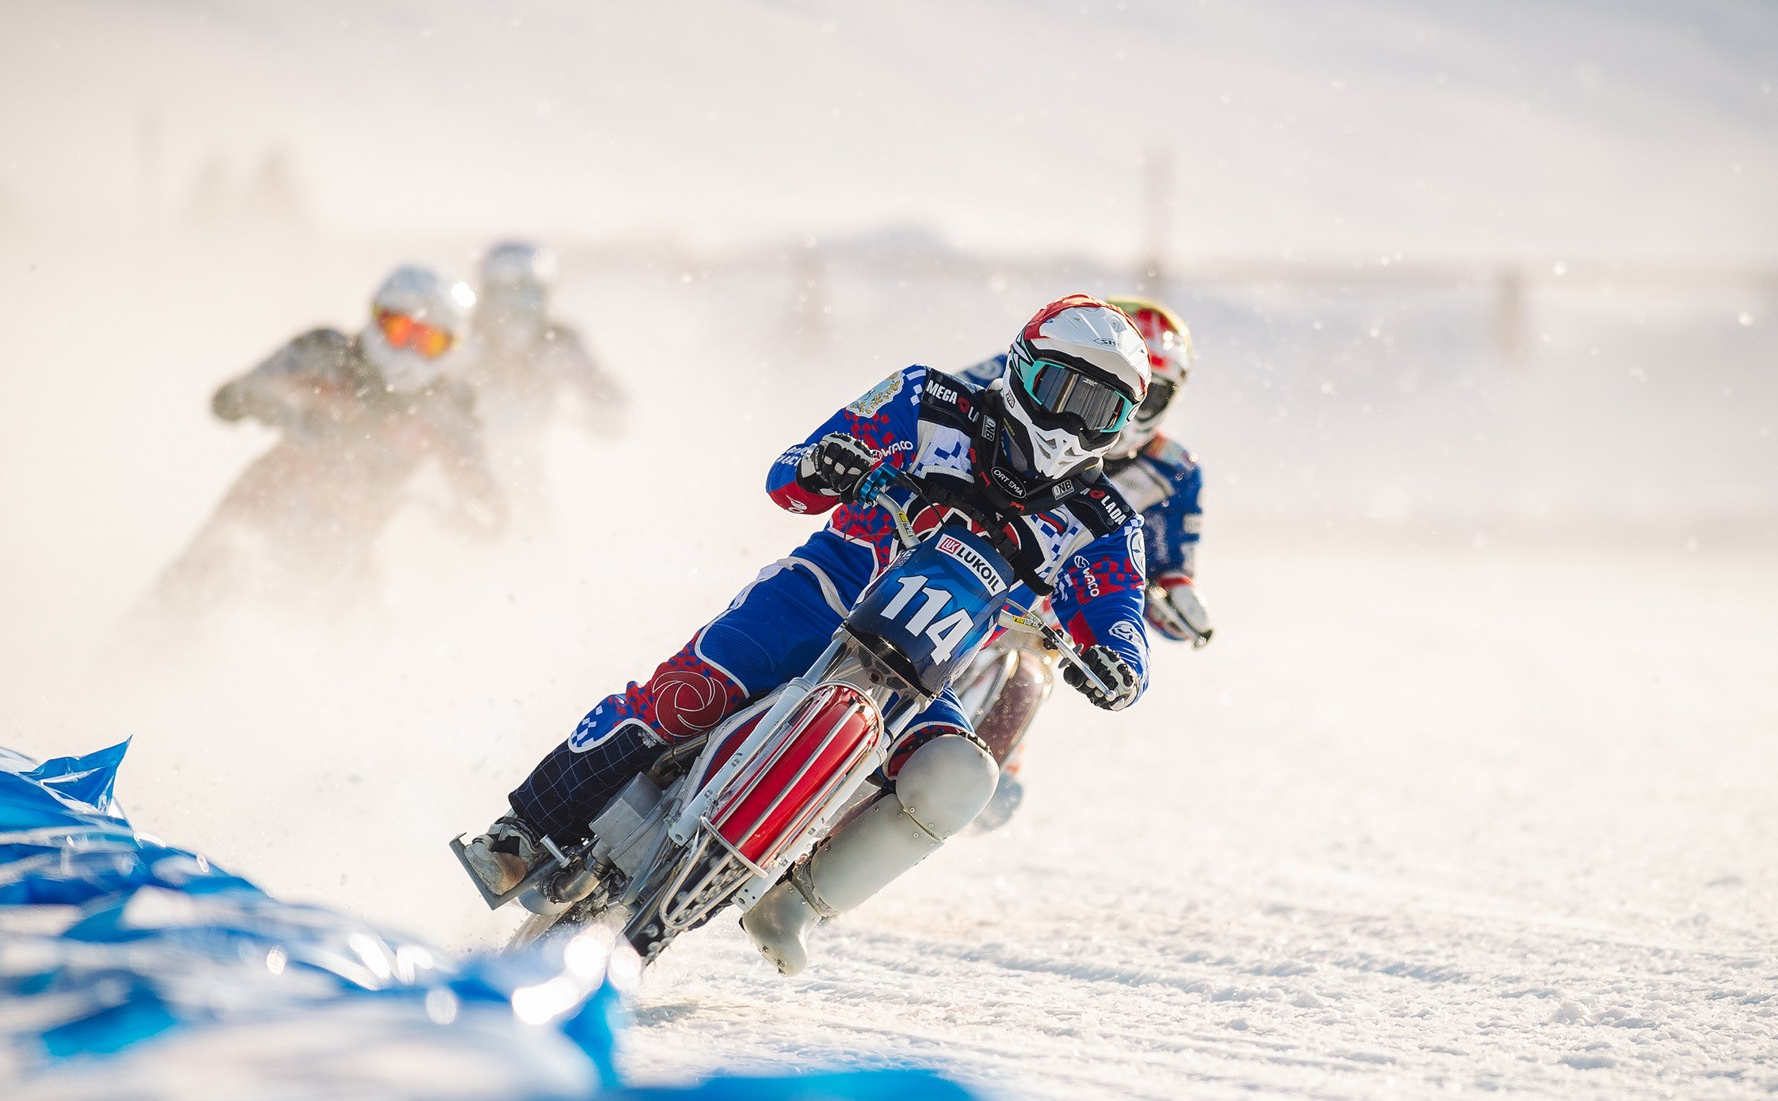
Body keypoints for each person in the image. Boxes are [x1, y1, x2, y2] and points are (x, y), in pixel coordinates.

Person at [460, 294, 1155, 974]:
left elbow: (1119, 608)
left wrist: (1118, 661)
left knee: (961, 775)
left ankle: (795, 906)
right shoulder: (926, 399)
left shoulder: (1104, 519)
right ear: (1019, 366)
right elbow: (789, 478)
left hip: (921, 679)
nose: (1069, 421)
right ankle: (525, 828)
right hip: (813, 599)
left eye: (1100, 409)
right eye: (1059, 387)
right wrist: (832, 462)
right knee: (687, 696)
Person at [958, 295, 1212, 828]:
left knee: (1022, 701)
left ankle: (976, 762)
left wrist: (1174, 596)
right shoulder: (1004, 374)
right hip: (952, 552)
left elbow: (1166, 566)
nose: (1087, 409)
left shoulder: (1175, 472)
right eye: (1069, 385)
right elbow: (938, 417)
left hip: (1046, 612)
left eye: (1138, 398)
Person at [142, 264, 494, 614]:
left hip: (356, 534)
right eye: (400, 330)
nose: (408, 351)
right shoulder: (322, 352)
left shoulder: (449, 405)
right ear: (376, 319)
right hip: (273, 493)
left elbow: (485, 494)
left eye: (428, 340)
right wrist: (274, 401)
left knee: (370, 622)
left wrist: (473, 515)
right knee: (202, 570)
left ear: (451, 347)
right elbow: (228, 399)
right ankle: (141, 646)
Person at [465, 240, 629, 518]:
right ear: (486, 296)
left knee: (534, 521)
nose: (514, 309)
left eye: (527, 296)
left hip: (529, 463)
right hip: (461, 456)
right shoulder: (464, 339)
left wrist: (608, 414)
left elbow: (607, 394)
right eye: (504, 297)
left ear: (546, 297)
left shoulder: (560, 345)